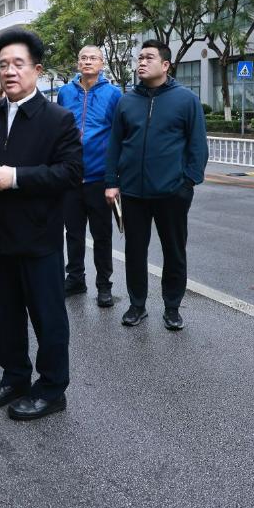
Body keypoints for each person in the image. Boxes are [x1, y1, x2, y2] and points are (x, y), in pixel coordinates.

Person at [0, 29, 82, 421]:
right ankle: (14, 377)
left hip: (40, 238)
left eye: (18, 64)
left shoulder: (58, 119)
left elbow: (70, 172)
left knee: (48, 317)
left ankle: (52, 389)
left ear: (37, 70)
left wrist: (15, 177)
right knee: (6, 315)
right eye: (3, 65)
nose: (9, 71)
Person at [105, 40, 207, 331]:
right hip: (133, 192)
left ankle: (172, 307)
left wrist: (188, 183)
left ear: (165, 65)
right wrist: (111, 182)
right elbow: (115, 144)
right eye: (139, 57)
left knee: (174, 251)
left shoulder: (186, 100)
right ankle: (137, 305)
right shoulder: (126, 101)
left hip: (172, 192)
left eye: (149, 57)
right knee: (135, 252)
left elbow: (198, 145)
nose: (142, 62)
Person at [57, 46, 123, 307]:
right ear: (78, 63)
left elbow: (118, 136)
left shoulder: (113, 94)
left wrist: (114, 179)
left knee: (101, 235)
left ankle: (104, 286)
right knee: (73, 233)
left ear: (101, 63)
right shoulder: (65, 92)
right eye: (83, 58)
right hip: (70, 176)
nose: (87, 61)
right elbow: (59, 131)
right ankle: (75, 279)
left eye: (93, 58)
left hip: (99, 178)